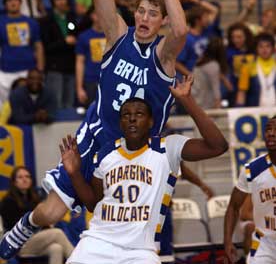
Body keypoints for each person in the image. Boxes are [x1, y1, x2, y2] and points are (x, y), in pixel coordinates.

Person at [0, 0, 187, 260]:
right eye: (141, 11)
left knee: (132, 232)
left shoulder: (164, 56)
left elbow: (181, 30)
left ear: (160, 21)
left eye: (152, 14)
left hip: (139, 154)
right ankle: (26, 224)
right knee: (50, 214)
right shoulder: (118, 37)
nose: (145, 18)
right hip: (96, 138)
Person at [59, 77, 228, 264]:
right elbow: (93, 203)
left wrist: (187, 101)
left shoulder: (167, 148)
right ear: (120, 123)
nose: (132, 118)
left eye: (139, 114)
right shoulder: (106, 152)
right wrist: (74, 173)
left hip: (140, 250)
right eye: (126, 115)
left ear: (150, 121)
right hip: (99, 241)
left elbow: (218, 146)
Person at [224, 116, 276, 264]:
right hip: (265, 246)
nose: (271, 133)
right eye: (268, 129)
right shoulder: (252, 170)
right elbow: (233, 207)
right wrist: (227, 242)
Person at [0, 166, 73, 264]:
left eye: (27, 176)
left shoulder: (35, 197)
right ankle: (79, 261)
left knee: (56, 248)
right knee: (57, 233)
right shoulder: (8, 201)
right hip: (18, 243)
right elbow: (14, 227)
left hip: (36, 241)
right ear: (14, 181)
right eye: (20, 177)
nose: (25, 179)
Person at [0, 0, 44, 107]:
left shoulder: (31, 23)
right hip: (6, 70)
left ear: (20, 2)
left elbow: (38, 46)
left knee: (27, 104)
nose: (13, 3)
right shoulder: (1, 22)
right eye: (9, 0)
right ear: (5, 4)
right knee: (5, 106)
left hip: (28, 69)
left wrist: (40, 68)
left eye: (15, 0)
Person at [40, 0, 77, 109]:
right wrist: (64, 42)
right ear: (53, 2)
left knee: (70, 104)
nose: (61, 2)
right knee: (56, 104)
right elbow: (46, 46)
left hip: (70, 67)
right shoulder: (46, 21)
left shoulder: (71, 18)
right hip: (54, 68)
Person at [176, 4, 219, 76]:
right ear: (197, 21)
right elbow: (177, 63)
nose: (208, 19)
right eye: (205, 17)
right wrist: (192, 76)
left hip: (207, 76)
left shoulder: (206, 31)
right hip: (195, 79)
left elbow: (215, 10)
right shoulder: (187, 39)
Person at [76, 6, 106, 106]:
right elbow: (80, 62)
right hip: (91, 81)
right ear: (92, 16)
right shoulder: (84, 36)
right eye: (96, 13)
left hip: (109, 79)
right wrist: (79, 88)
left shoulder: (113, 35)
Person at [236, 33, 276, 107]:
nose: (264, 49)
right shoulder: (247, 67)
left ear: (273, 48)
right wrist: (239, 110)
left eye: (268, 46)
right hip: (255, 113)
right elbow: (242, 92)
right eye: (261, 46)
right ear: (256, 49)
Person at [192, 36, 228, 109]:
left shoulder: (201, 62)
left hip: (195, 100)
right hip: (203, 104)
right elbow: (216, 90)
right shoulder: (213, 66)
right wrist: (218, 109)